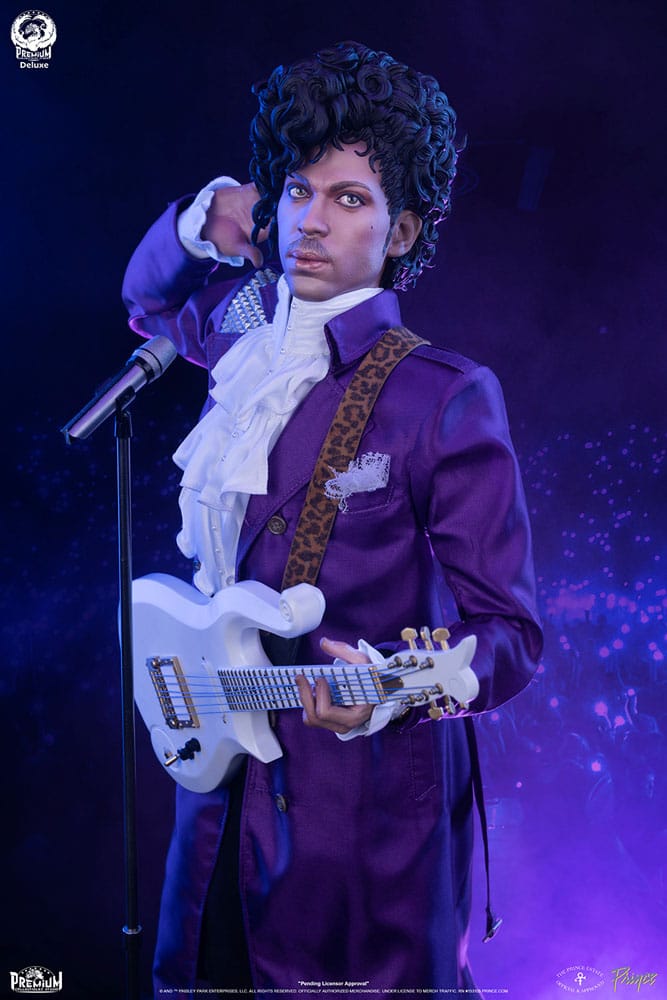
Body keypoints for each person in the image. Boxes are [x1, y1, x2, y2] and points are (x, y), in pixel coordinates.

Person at [123, 40, 542, 999]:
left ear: (400, 232)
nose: (311, 221)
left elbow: (511, 636)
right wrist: (203, 218)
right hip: (216, 799)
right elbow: (147, 301)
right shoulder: (244, 330)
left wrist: (395, 691)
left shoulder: (441, 394)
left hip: (360, 827)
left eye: (349, 199)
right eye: (298, 191)